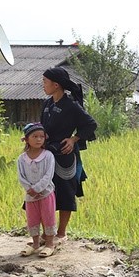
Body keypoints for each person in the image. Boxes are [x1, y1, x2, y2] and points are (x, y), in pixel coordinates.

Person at [40, 67, 97, 245]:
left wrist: (74, 139)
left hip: (65, 156)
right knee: (44, 192)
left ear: (56, 85)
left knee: (65, 193)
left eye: (45, 82)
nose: (43, 85)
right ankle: (47, 232)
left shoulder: (71, 105)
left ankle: (62, 233)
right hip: (46, 155)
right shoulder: (48, 104)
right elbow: (43, 127)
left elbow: (91, 125)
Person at [17, 123, 57, 258]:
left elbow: (48, 175)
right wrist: (29, 189)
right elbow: (21, 176)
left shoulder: (48, 156)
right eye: (35, 136)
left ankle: (50, 244)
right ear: (27, 139)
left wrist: (38, 188)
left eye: (41, 136)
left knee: (48, 217)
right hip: (30, 196)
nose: (39, 139)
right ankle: (35, 244)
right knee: (32, 218)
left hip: (46, 193)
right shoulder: (22, 159)